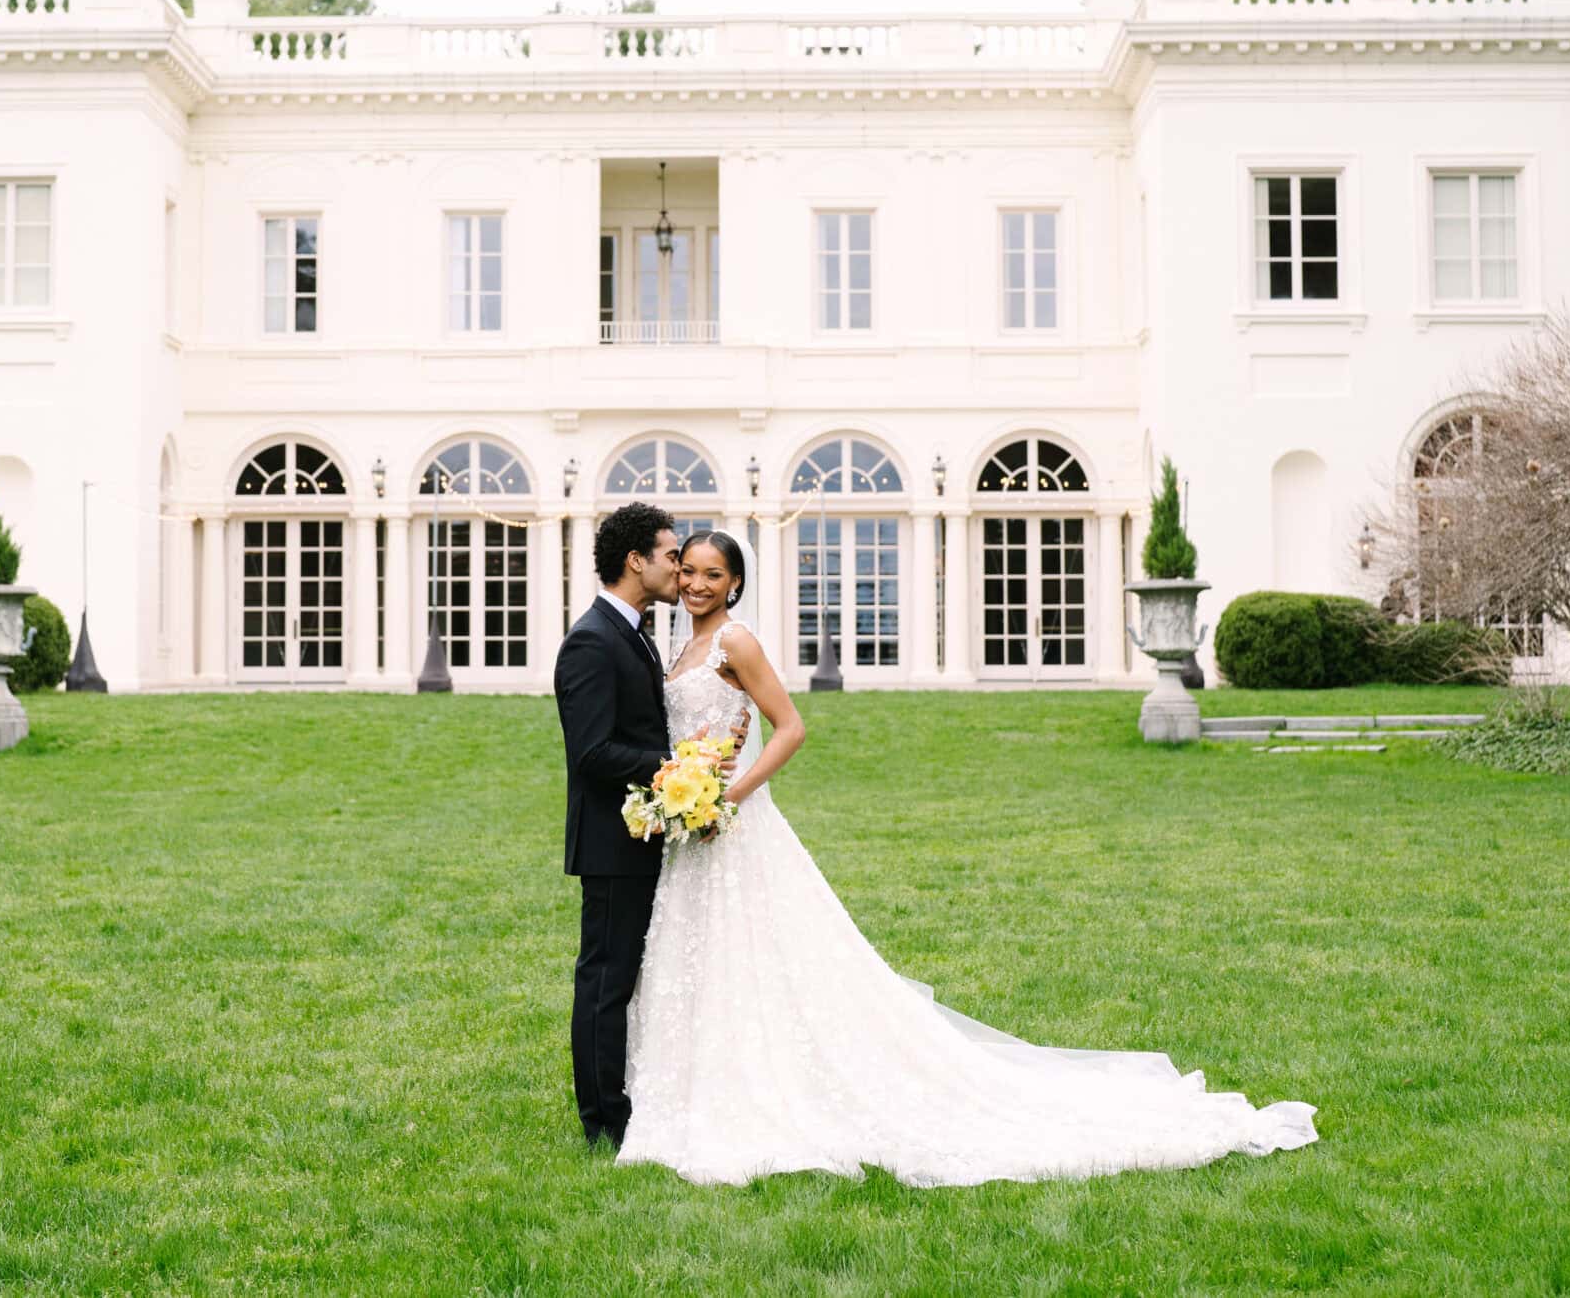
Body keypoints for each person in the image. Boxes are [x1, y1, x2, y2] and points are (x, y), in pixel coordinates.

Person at [615, 529, 1319, 1187]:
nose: (698, 583)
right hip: (692, 828)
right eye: (690, 570)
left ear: (735, 583)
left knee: (767, 956)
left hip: (734, 822)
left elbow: (791, 727)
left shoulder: (735, 642)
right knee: (709, 959)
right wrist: (683, 796)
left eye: (714, 574)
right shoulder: (674, 644)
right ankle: (708, 1082)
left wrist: (728, 795)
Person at [550, 501, 682, 1151]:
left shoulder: (634, 632)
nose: (678, 567)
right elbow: (593, 751)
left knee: (624, 976)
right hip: (611, 841)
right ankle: (602, 1118)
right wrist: (674, 766)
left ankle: (621, 1099)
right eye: (670, 554)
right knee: (605, 979)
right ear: (637, 560)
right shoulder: (591, 640)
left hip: (643, 835)